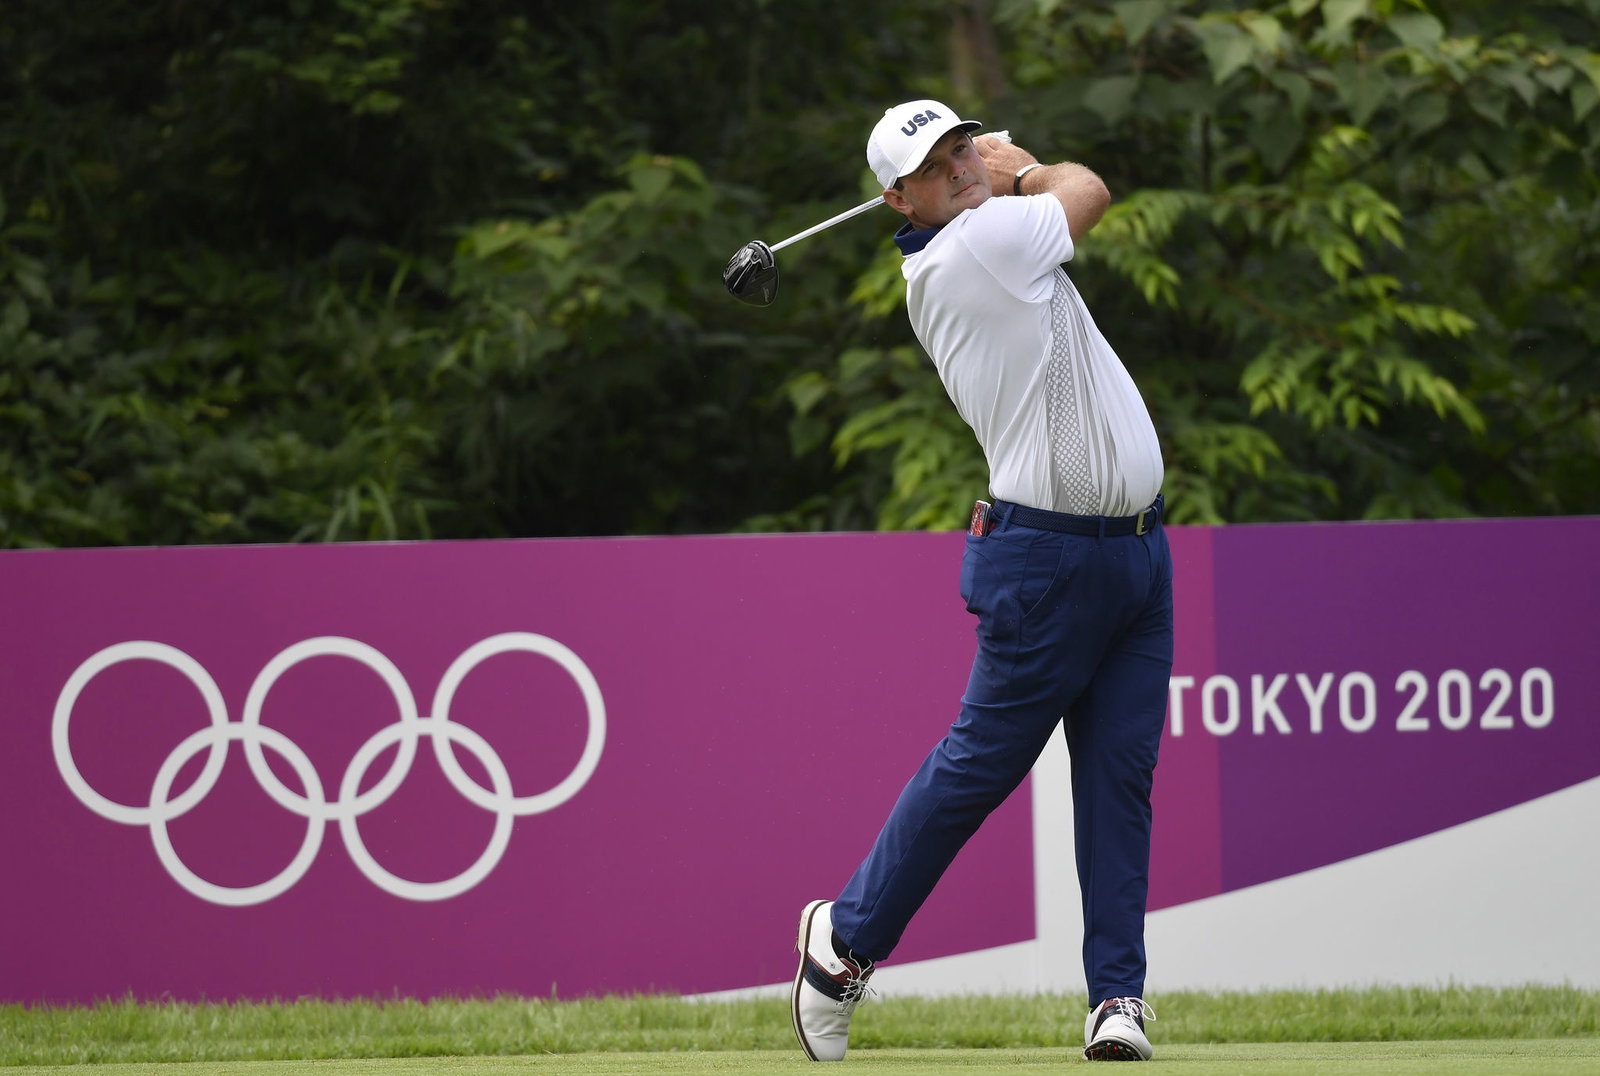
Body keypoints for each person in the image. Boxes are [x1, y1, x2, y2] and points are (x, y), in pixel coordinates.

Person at [790, 99, 1173, 1063]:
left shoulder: (988, 233)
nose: (960, 165)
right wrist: (1022, 163)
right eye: (936, 162)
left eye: (963, 145)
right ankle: (841, 945)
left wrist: (999, 173)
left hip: (1134, 555)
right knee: (979, 770)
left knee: (1119, 779)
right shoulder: (972, 247)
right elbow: (1088, 190)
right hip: (1047, 559)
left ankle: (1116, 999)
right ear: (899, 199)